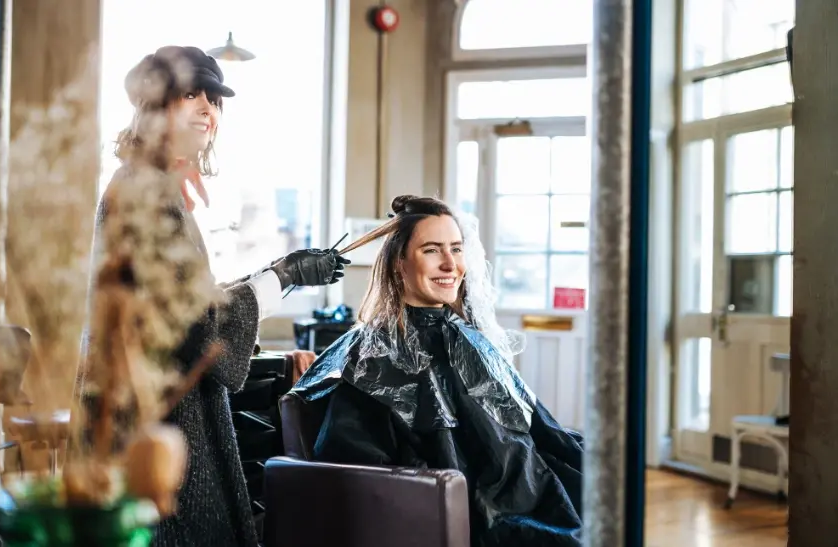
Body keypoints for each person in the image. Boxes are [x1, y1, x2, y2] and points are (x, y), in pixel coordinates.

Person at [76, 46, 349, 547]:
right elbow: (200, 324)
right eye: (189, 94)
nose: (207, 108)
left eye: (215, 99)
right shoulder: (144, 192)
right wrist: (283, 275)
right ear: (154, 109)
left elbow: (184, 300)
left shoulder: (152, 186)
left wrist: (277, 275)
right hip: (155, 426)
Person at [290, 195, 583, 547]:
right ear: (399, 263)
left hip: (522, 492)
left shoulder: (470, 339)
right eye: (431, 250)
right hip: (453, 511)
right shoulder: (369, 356)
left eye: (456, 249)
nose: (450, 265)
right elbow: (357, 472)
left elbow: (534, 430)